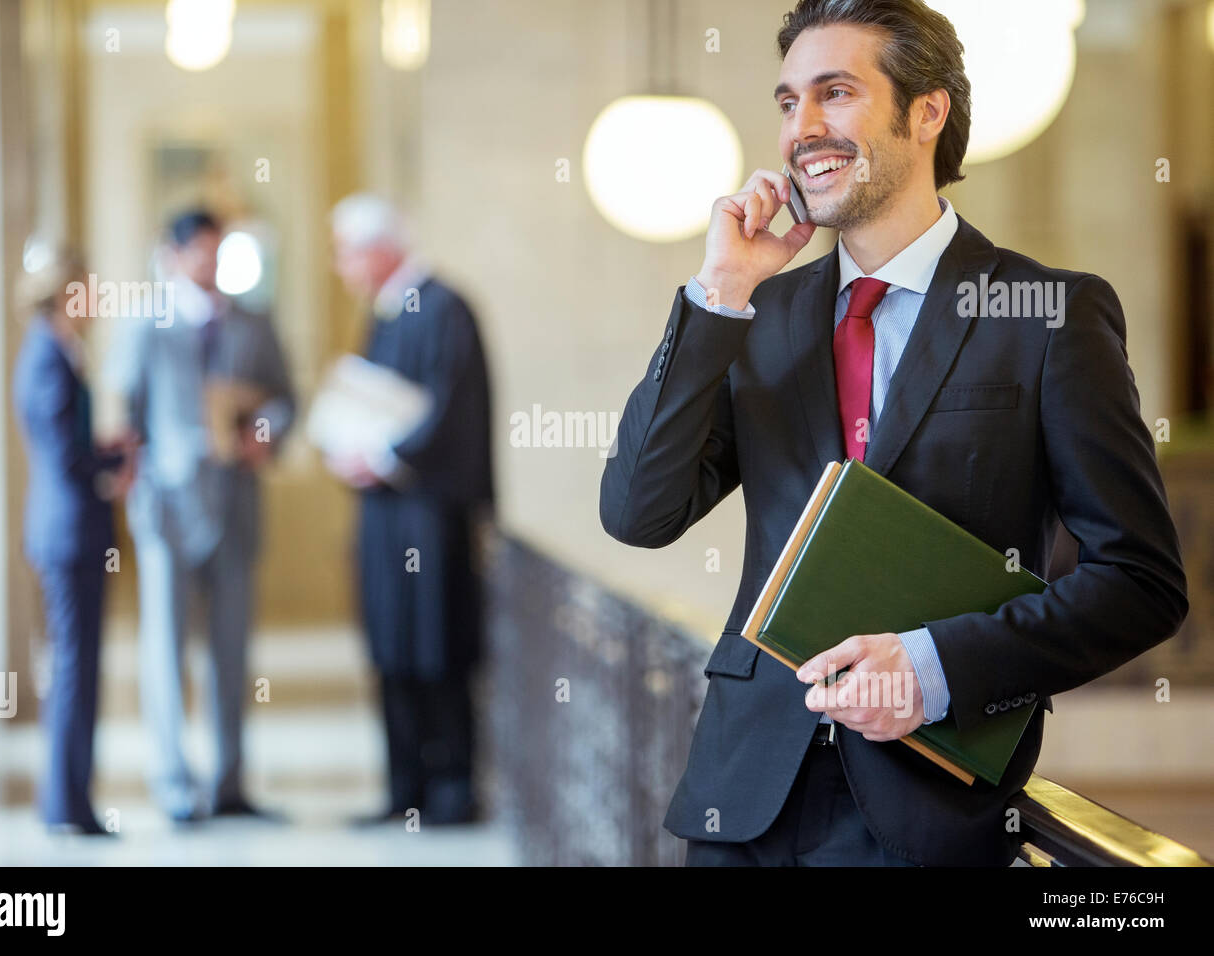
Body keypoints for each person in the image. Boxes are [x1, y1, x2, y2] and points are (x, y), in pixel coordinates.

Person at [599, 0, 1188, 867]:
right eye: (788, 101)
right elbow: (638, 512)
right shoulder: (755, 314)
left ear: (927, 110)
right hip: (742, 799)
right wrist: (717, 294)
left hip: (929, 808)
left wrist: (934, 666)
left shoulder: (1048, 315)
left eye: (835, 93)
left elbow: (1140, 581)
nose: (803, 128)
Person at [107, 209, 296, 823]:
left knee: (233, 650)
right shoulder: (146, 323)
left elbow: (285, 399)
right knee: (165, 647)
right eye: (201, 253)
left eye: (219, 252)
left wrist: (264, 433)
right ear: (174, 254)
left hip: (236, 502)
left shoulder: (254, 323)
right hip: (166, 507)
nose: (211, 265)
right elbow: (124, 414)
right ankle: (174, 783)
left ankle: (231, 782)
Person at [326, 194, 493, 827]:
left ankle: (451, 791)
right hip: (386, 517)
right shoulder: (389, 312)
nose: (342, 267)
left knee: (437, 648)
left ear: (378, 248)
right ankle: (405, 790)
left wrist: (387, 454)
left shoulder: (444, 307)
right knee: (393, 649)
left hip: (430, 516)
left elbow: (451, 412)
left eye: (346, 253)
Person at [14, 246, 135, 835]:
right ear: (66, 291)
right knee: (73, 671)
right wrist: (109, 472)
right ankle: (69, 804)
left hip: (74, 528)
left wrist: (111, 451)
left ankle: (68, 799)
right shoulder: (46, 356)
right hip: (68, 533)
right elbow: (65, 455)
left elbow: (74, 442)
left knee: (78, 670)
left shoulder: (61, 351)